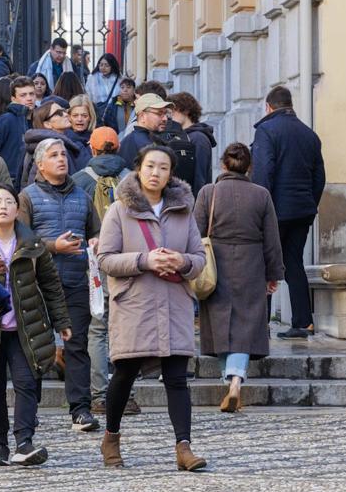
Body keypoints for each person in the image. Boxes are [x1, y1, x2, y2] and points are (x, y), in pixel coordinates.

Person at [96, 145, 207, 470]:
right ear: (138, 169)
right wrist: (145, 260)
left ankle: (183, 448)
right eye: (150, 166)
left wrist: (182, 261)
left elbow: (199, 259)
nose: (156, 172)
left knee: (176, 378)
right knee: (125, 373)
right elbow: (105, 259)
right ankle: (111, 437)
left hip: (174, 304)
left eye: (163, 167)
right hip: (135, 304)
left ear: (170, 173)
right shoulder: (119, 210)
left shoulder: (184, 211)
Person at [0, 183, 71, 466]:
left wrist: (61, 321)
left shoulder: (32, 243)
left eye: (9, 201)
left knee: (27, 383)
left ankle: (24, 441)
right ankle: (0, 445)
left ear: (18, 210)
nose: (3, 206)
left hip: (25, 326)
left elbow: (51, 284)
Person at [18, 138, 101, 432]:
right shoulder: (27, 197)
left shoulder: (81, 195)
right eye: (53, 155)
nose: (61, 159)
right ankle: (30, 411)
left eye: (63, 154)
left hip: (76, 281)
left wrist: (95, 241)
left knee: (77, 346)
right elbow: (20, 242)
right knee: (37, 349)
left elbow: (96, 232)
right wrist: (53, 246)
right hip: (39, 284)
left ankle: (81, 410)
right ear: (40, 164)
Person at [195, 143, 284, 412]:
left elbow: (195, 232)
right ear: (249, 167)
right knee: (245, 323)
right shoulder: (261, 195)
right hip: (251, 263)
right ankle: (236, 381)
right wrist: (273, 274)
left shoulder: (208, 193)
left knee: (222, 323)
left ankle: (229, 381)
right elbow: (272, 239)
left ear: (223, 165)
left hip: (216, 263)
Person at [251, 86, 326, 340]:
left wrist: (261, 209)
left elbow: (263, 172)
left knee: (265, 264)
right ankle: (303, 322)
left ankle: (261, 325)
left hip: (275, 210)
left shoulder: (266, 131)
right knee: (294, 262)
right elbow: (319, 177)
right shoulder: (309, 134)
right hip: (302, 210)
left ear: (268, 107)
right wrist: (309, 204)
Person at [73, 126, 131, 413]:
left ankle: (99, 395)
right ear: (118, 148)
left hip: (94, 263)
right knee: (125, 329)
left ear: (92, 149)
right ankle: (124, 395)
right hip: (130, 262)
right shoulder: (133, 179)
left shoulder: (79, 181)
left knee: (97, 328)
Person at [0, 76, 37, 188]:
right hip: (9, 182)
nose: (29, 98)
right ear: (13, 99)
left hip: (34, 182)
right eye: (23, 95)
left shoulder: (40, 119)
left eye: (31, 94)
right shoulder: (5, 120)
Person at [21, 100, 89, 186]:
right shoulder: (41, 149)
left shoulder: (71, 143)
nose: (65, 115)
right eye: (59, 113)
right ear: (47, 124)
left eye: (64, 111)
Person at [168, 92, 215, 196]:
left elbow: (200, 176)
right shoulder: (180, 135)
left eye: (174, 111)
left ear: (186, 111)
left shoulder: (199, 138)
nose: (171, 116)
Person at [118, 93, 173, 168]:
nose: (165, 119)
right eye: (159, 113)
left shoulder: (130, 139)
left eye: (165, 113)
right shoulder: (145, 145)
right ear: (142, 116)